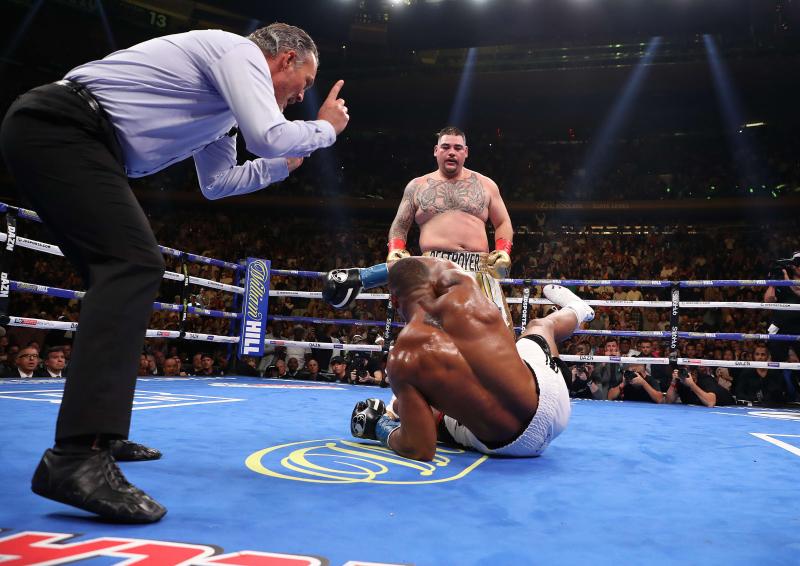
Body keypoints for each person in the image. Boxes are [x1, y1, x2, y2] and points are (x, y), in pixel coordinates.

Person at [0, 22, 348, 523]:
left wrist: (283, 166)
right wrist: (327, 128)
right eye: (304, 83)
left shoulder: (224, 110)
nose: (301, 97)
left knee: (118, 274)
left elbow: (218, 183)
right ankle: (76, 455)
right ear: (287, 58)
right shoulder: (238, 51)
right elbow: (268, 135)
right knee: (133, 263)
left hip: (76, 141)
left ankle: (100, 434)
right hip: (64, 127)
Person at [349, 256, 594, 461]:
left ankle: (579, 308)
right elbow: (438, 262)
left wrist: (382, 428)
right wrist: (365, 276)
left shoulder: (402, 358)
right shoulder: (464, 287)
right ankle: (578, 309)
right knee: (541, 326)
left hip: (510, 446)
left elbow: (420, 449)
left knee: (415, 409)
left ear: (394, 301)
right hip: (556, 402)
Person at [385, 127, 515, 329]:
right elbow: (400, 225)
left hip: (479, 267)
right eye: (445, 147)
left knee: (497, 333)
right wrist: (395, 250)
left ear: (466, 152)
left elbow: (503, 223)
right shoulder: (417, 186)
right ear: (436, 150)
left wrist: (503, 251)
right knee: (432, 335)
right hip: (434, 268)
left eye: (457, 147)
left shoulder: (486, 185)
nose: (451, 152)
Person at [665, 366, 735, 407]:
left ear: (695, 374)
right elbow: (668, 401)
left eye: (688, 372)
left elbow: (710, 403)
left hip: (728, 407)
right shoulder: (681, 380)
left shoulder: (706, 380)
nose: (684, 374)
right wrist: (673, 382)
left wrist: (692, 385)